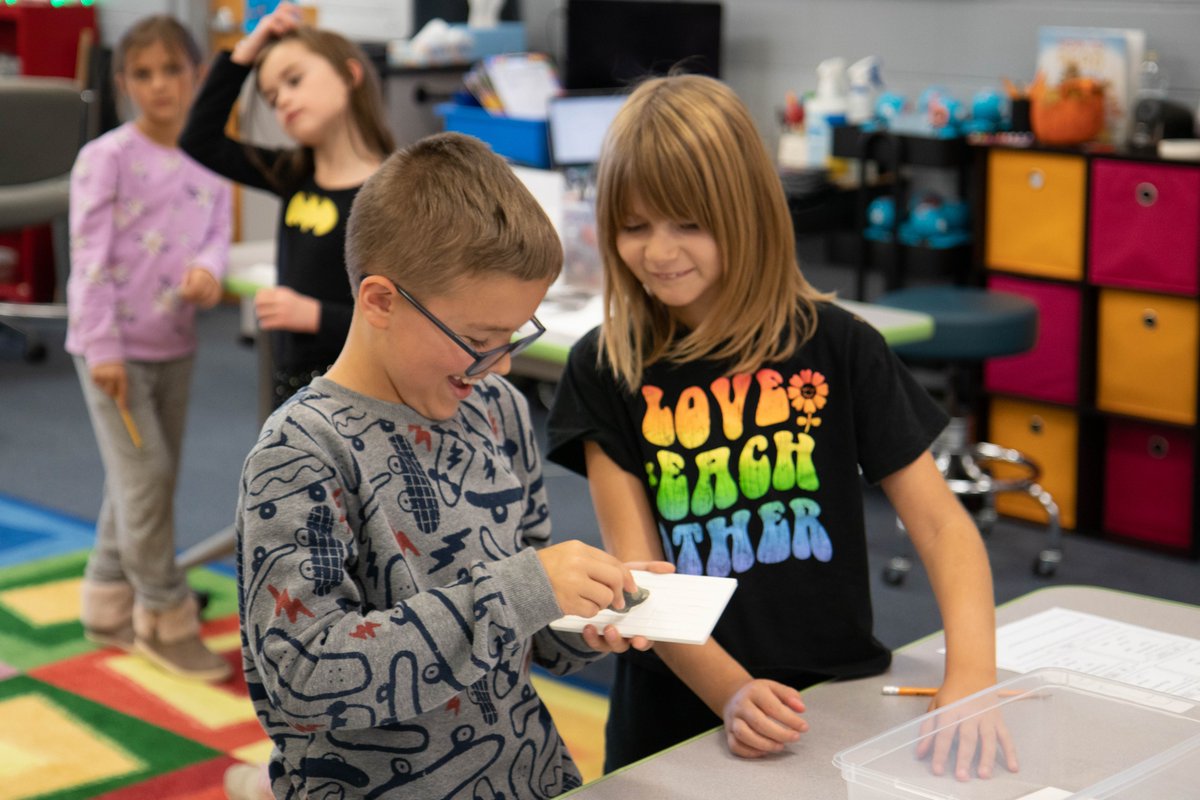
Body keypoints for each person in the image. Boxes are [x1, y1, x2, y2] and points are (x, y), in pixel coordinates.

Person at [546, 74, 1013, 780]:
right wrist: (731, 693)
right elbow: (644, 580)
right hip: (676, 719)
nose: (659, 251)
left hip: (833, 701)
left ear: (747, 213)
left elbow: (945, 527)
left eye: (688, 224)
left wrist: (973, 673)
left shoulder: (842, 347)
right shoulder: (606, 367)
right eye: (635, 226)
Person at [232, 132, 670, 799]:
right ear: (379, 301)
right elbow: (306, 674)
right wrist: (522, 589)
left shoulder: (497, 408)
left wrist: (590, 612)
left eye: (514, 336)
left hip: (526, 774)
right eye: (477, 340)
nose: (498, 365)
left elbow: (522, 619)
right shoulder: (302, 450)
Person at [67, 15, 232, 682]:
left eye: (173, 70)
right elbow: (89, 257)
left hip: (175, 343)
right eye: (144, 73)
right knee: (144, 479)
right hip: (112, 349)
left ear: (196, 75)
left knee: (144, 476)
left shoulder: (209, 156)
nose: (160, 85)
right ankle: (163, 616)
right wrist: (103, 345)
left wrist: (210, 273)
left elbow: (216, 235)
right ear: (124, 83)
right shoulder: (106, 157)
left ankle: (107, 596)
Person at [180, 2, 393, 408]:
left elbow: (405, 322)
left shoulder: (393, 192)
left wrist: (314, 316)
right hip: (292, 383)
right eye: (273, 98)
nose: (284, 104)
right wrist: (244, 52)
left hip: (361, 392)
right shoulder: (293, 174)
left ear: (350, 74)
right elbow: (199, 139)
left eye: (294, 80)